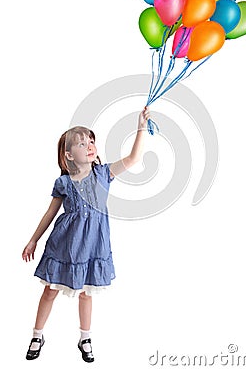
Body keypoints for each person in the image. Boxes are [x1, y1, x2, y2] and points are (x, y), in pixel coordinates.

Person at [22, 107, 150, 362]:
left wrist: (141, 127)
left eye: (91, 140)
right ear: (69, 155)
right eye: (82, 143)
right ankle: (37, 334)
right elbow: (50, 213)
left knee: (86, 292)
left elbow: (134, 159)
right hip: (65, 245)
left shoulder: (104, 174)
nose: (89, 145)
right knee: (50, 290)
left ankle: (85, 337)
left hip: (93, 246)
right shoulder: (64, 183)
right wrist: (33, 239)